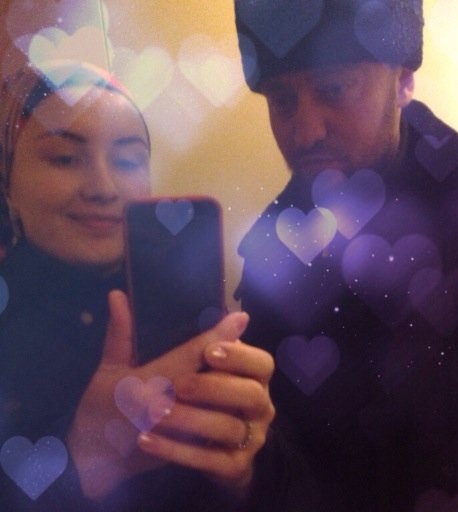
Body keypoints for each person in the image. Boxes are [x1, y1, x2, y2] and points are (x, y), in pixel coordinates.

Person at [234, 1, 458, 511]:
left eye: (333, 89)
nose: (306, 131)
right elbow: (280, 451)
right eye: (282, 100)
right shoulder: (269, 259)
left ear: (402, 81)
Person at [0, 60, 275, 511]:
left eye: (128, 160)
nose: (104, 187)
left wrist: (246, 471)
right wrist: (80, 461)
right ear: (8, 177)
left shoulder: (178, 304)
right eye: (65, 157)